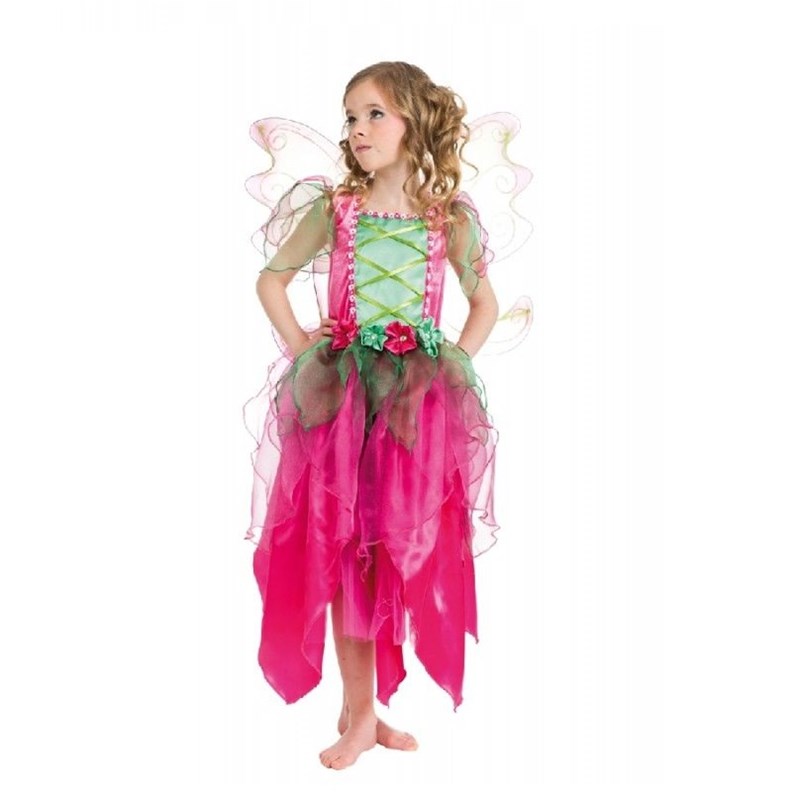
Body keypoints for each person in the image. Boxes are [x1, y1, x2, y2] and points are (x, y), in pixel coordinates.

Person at [243, 61, 523, 771]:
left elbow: (483, 301)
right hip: (340, 407)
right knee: (345, 551)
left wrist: (451, 362)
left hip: (409, 413)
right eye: (350, 117)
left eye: (375, 114)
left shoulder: (447, 221)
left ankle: (360, 709)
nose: (358, 130)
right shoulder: (337, 211)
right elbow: (271, 279)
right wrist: (303, 345)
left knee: (395, 552)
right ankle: (361, 715)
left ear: (415, 124)